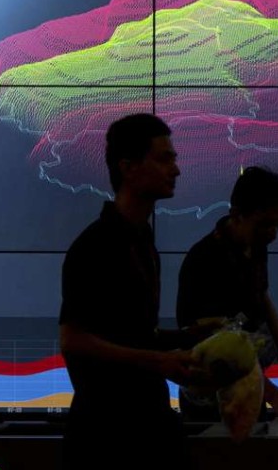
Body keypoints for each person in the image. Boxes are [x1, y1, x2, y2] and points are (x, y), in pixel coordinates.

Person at [59, 113, 219, 470]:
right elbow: (74, 340)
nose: (175, 170)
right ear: (128, 167)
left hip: (148, 424)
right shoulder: (96, 246)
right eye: (164, 158)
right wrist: (158, 362)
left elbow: (133, 335)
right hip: (106, 436)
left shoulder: (142, 240)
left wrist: (188, 336)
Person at [176, 166, 278, 422]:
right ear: (237, 215)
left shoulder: (254, 244)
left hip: (249, 389)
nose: (273, 233)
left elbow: (262, 297)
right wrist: (275, 397)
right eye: (265, 225)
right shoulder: (206, 262)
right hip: (212, 401)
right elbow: (221, 354)